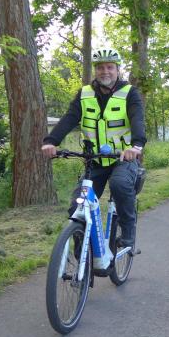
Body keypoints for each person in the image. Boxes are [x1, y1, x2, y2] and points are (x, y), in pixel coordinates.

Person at [41, 47, 146, 247]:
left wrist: (136, 146)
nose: (105, 71)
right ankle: (83, 253)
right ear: (95, 70)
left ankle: (128, 231)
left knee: (119, 185)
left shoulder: (129, 93)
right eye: (100, 68)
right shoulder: (84, 94)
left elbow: (137, 120)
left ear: (117, 69)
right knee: (77, 206)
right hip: (94, 160)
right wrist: (51, 141)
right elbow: (70, 118)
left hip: (123, 158)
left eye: (109, 67)